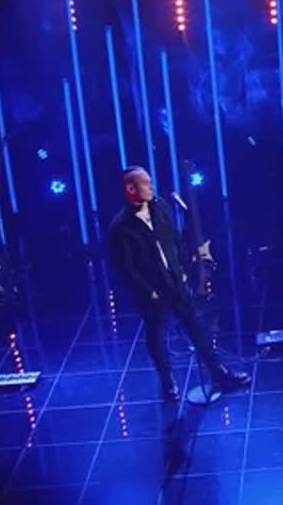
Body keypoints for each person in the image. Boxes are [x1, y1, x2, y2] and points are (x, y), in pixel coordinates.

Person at [107, 166, 250, 401]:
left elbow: (176, 240)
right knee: (156, 338)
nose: (151, 187)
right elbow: (126, 269)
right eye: (145, 183)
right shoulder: (120, 227)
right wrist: (149, 291)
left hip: (176, 282)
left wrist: (183, 270)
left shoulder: (161, 206)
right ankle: (168, 382)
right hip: (153, 293)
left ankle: (218, 372)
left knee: (196, 327)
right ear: (131, 189)